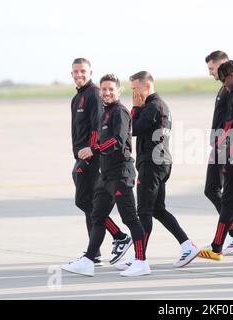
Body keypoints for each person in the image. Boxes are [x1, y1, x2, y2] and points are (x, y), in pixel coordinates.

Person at [62, 74, 149, 277]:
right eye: (104, 89)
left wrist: (95, 149)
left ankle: (142, 261)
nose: (107, 92)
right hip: (106, 175)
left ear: (118, 91)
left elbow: (117, 141)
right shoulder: (105, 113)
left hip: (121, 173)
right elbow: (100, 138)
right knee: (97, 216)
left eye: (111, 89)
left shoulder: (120, 112)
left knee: (131, 219)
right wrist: (94, 151)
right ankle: (88, 261)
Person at [115, 71, 199, 269]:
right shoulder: (160, 105)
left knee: (143, 211)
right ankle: (187, 245)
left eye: (135, 89)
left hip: (152, 164)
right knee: (158, 209)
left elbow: (131, 129)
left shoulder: (152, 106)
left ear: (147, 86)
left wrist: (134, 107)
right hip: (161, 162)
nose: (133, 93)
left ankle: (139, 257)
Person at [70, 58, 131, 265]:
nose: (79, 75)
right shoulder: (76, 98)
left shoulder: (94, 95)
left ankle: (119, 236)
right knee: (91, 205)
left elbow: (97, 127)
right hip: (81, 156)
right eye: (75, 72)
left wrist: (92, 151)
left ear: (90, 72)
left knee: (86, 202)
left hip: (93, 159)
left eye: (82, 71)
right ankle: (94, 252)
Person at [198, 61, 233, 260]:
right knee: (232, 199)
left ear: (231, 74)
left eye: (222, 78)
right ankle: (222, 244)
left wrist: (230, 152)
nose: (222, 83)